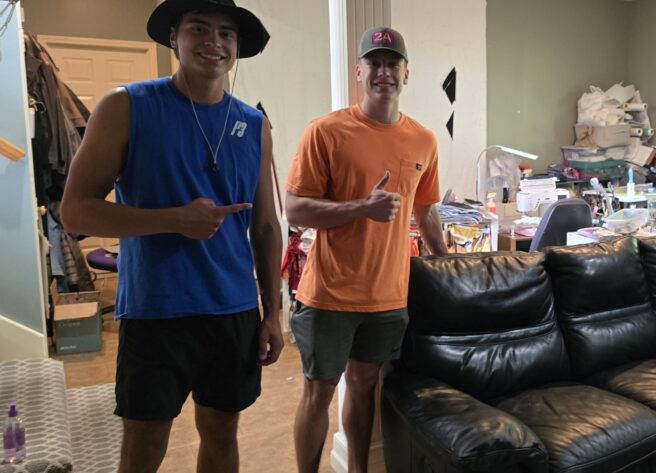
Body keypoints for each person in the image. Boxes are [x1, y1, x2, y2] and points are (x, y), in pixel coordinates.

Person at [60, 1, 283, 472]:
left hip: (233, 310)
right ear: (173, 36)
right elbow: (75, 210)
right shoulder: (127, 106)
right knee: (144, 444)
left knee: (222, 433)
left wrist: (273, 311)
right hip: (156, 310)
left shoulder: (255, 126)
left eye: (226, 33)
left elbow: (265, 226)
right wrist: (173, 219)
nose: (214, 42)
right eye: (199, 28)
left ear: (237, 47)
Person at [285, 26, 448, 473]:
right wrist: (362, 207)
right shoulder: (327, 131)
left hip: (388, 296)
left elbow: (426, 210)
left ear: (406, 73)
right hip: (330, 294)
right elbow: (295, 209)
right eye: (373, 63)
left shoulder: (424, 140)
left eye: (392, 63)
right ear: (359, 72)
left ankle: (358, 469)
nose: (383, 72)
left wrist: (446, 262)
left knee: (364, 386)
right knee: (318, 393)